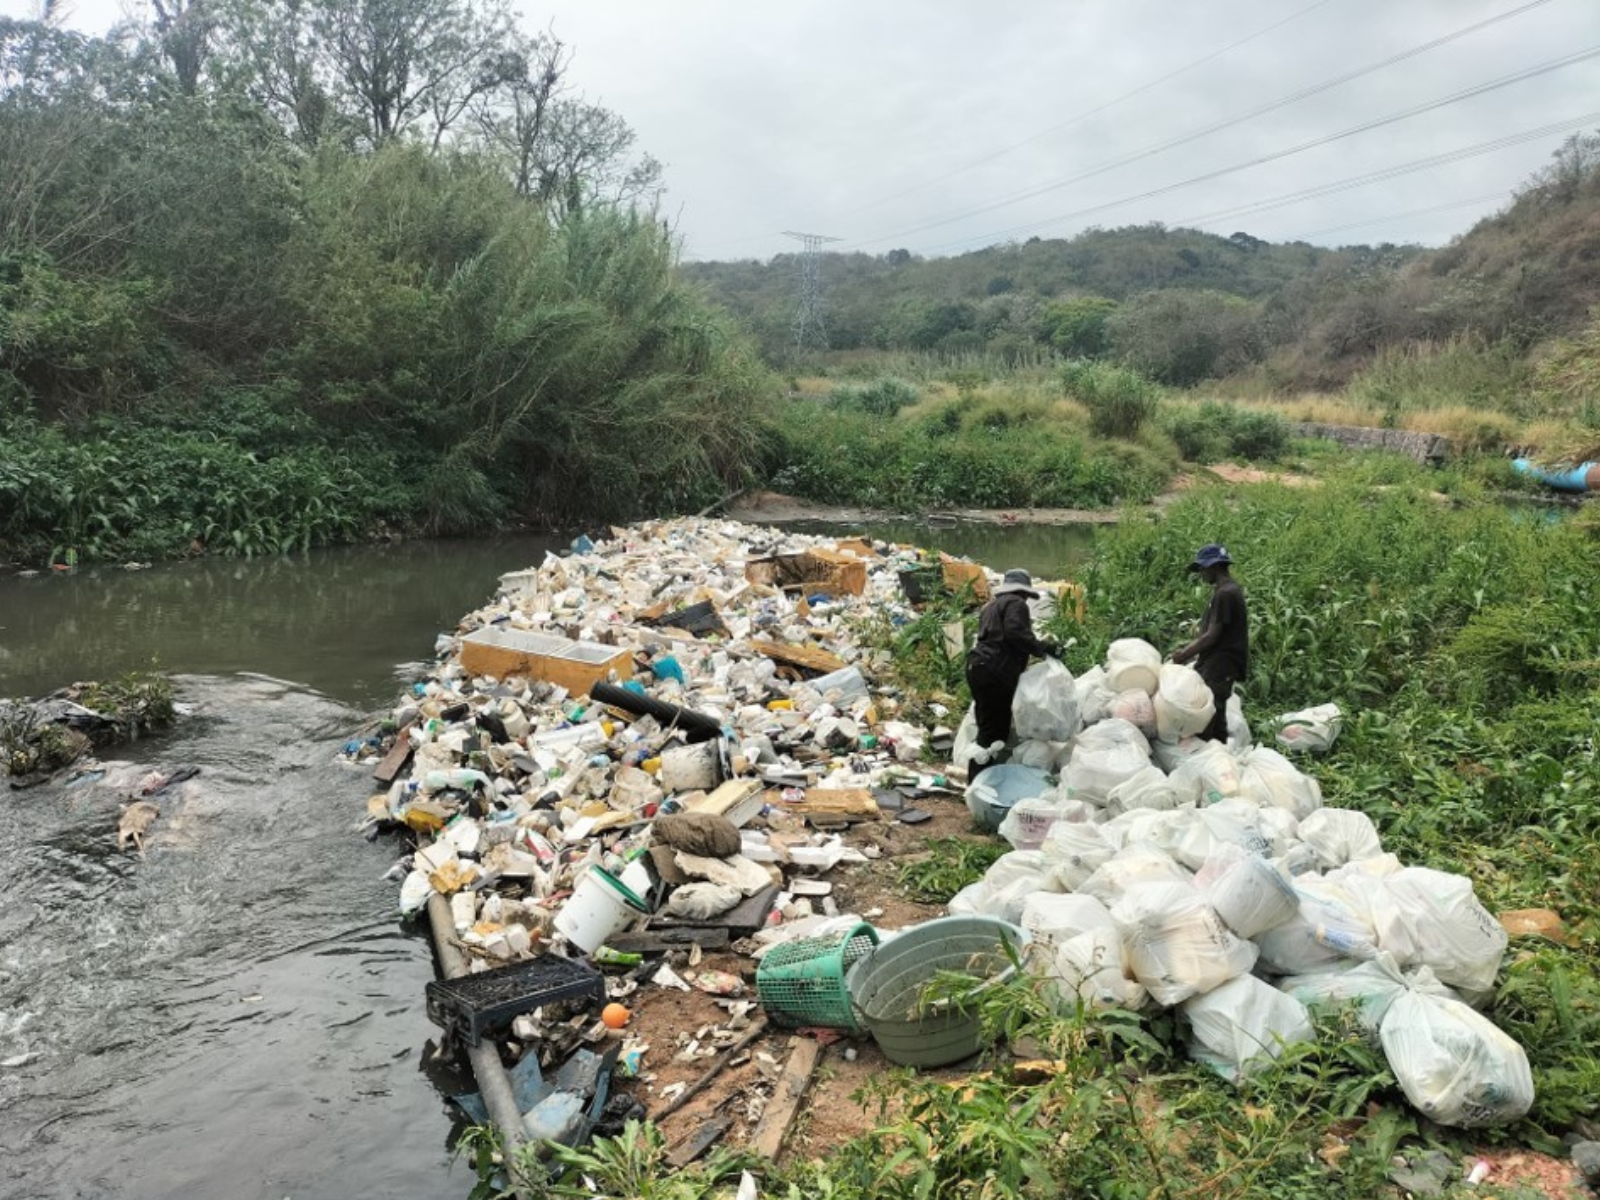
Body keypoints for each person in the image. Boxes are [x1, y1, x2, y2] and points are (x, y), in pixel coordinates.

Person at [964, 569, 1058, 777]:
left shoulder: (990, 607)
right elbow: (1015, 632)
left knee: (986, 725)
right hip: (995, 672)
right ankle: (981, 781)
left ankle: (977, 777)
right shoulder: (1016, 604)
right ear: (1023, 591)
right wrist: (1043, 648)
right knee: (995, 730)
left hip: (977, 668)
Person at [1172, 544, 1248, 743]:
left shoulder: (1225, 594)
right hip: (1217, 663)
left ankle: (1212, 758)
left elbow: (1211, 636)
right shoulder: (1227, 590)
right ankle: (1218, 755)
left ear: (1214, 566)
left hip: (1221, 665)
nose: (1202, 574)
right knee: (1214, 714)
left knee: (1208, 716)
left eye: (1203, 569)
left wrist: (1183, 655)